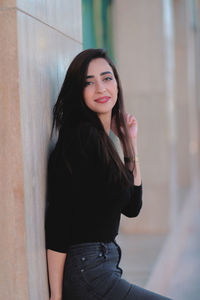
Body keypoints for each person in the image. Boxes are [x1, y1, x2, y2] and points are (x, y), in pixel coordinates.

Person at [45, 48, 172, 300]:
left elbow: (133, 205)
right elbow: (59, 218)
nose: (101, 88)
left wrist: (129, 143)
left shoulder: (101, 142)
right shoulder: (83, 137)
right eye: (88, 83)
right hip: (88, 269)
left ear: (117, 84)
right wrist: (56, 296)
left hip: (101, 266)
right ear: (78, 92)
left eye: (107, 78)